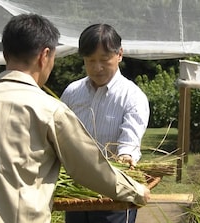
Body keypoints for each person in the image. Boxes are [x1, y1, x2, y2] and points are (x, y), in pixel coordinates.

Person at [0, 14, 150, 223]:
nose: (97, 67)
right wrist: (136, 190)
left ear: (5, 55)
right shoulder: (49, 110)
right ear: (45, 55)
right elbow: (87, 168)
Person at [61, 24, 150, 223]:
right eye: (90, 60)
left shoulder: (132, 97)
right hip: (75, 192)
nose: (97, 67)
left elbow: (130, 141)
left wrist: (125, 156)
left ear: (119, 54)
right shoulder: (72, 92)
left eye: (104, 60)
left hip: (115, 194)